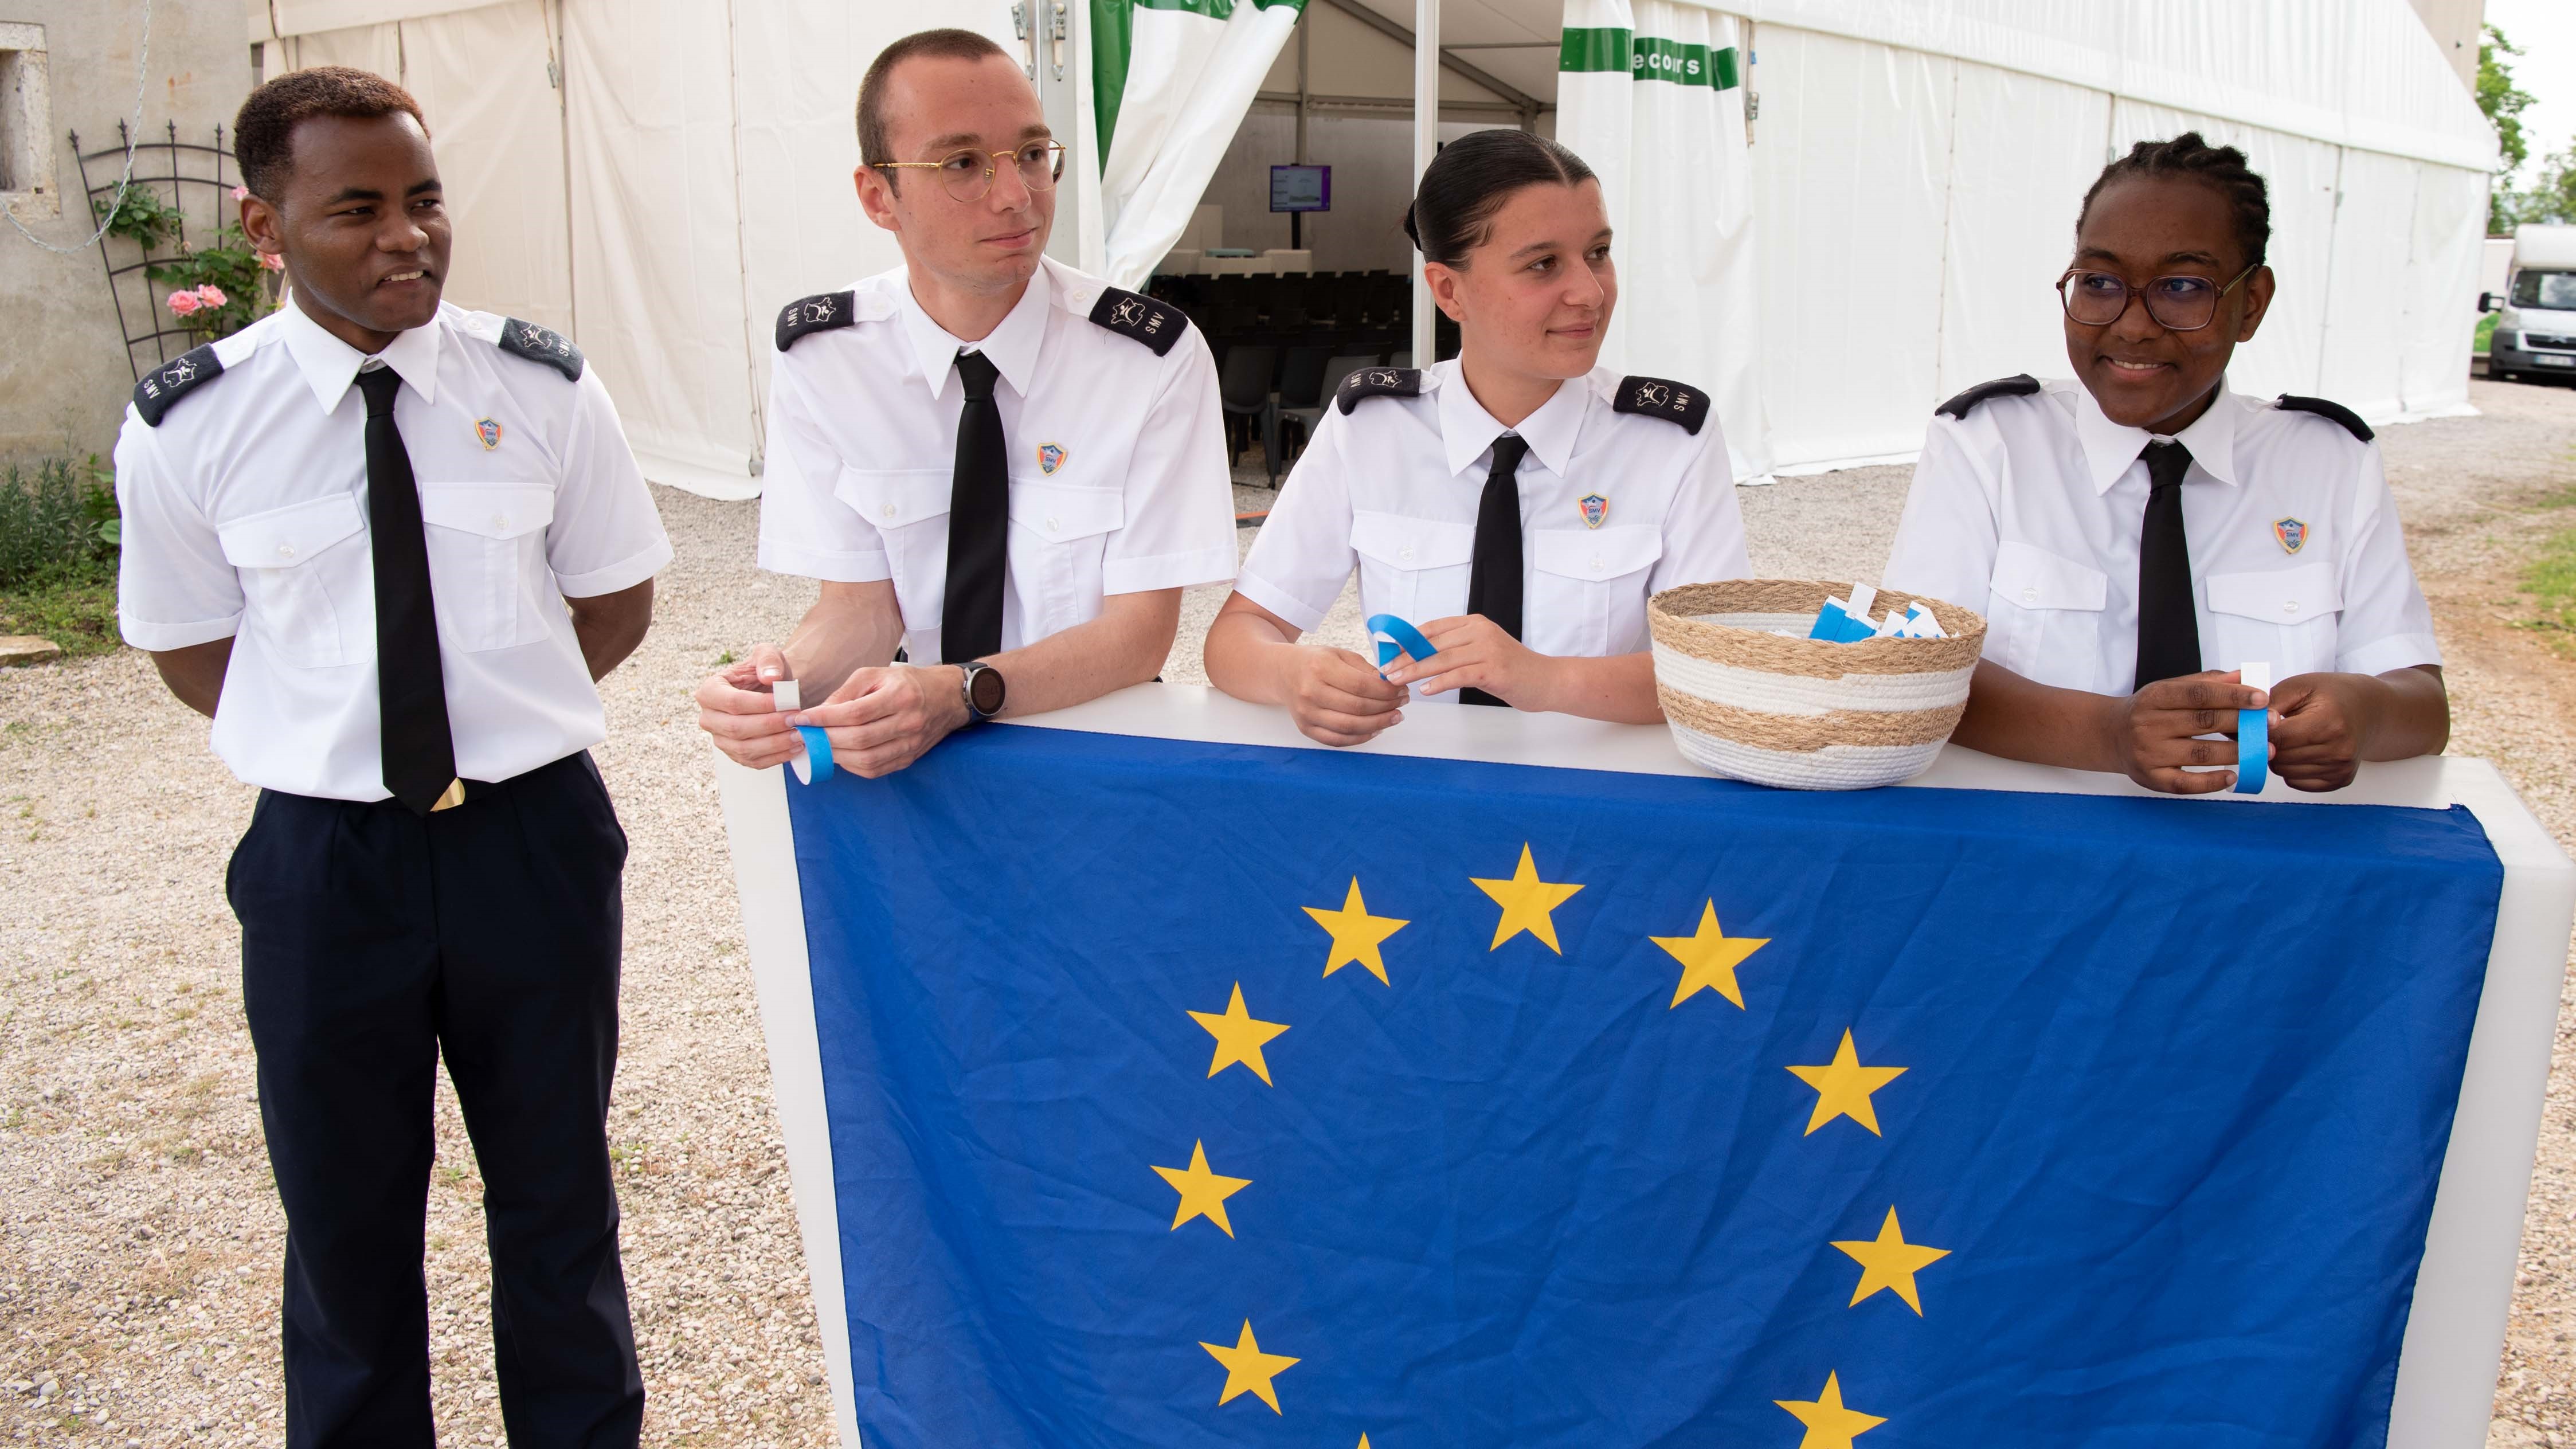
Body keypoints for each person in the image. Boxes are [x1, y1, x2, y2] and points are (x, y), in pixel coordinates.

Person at [112, 68, 667, 1446]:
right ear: (263, 228)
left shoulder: (538, 385)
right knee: (345, 1220)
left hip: (528, 842)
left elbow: (614, 597)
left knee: (557, 1199)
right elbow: (192, 648)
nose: (406, 235)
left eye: (423, 200)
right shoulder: (192, 424)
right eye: (355, 209)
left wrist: (487, 714)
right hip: (324, 865)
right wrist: (348, 733)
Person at [693, 28, 1235, 774]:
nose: (1017, 196)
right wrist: (778, 683)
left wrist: (961, 692)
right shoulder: (828, 360)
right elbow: (861, 608)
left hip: (1088, 757)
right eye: (962, 164)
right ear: (878, 197)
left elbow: (1139, 633)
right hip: (912, 763)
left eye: (1033, 155)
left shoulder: (1147, 358)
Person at [1882, 132, 2448, 794]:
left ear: (2252, 304)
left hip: (2256, 864)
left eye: (2183, 286)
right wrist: (2109, 733)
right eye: (2100, 282)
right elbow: (1909, 670)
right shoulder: (1989, 444)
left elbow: (2423, 704)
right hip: (2034, 849)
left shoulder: (2329, 462)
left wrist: (2365, 713)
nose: (2132, 324)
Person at [1200, 130, 1751, 745]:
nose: (1590, 291)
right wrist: (1294, 674)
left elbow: (1725, 671)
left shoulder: (1669, 441)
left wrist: (1544, 680)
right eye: (1544, 264)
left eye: (1597, 252)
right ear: (1448, 290)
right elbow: (1237, 638)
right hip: (1423, 799)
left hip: (1593, 806)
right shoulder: (1374, 429)